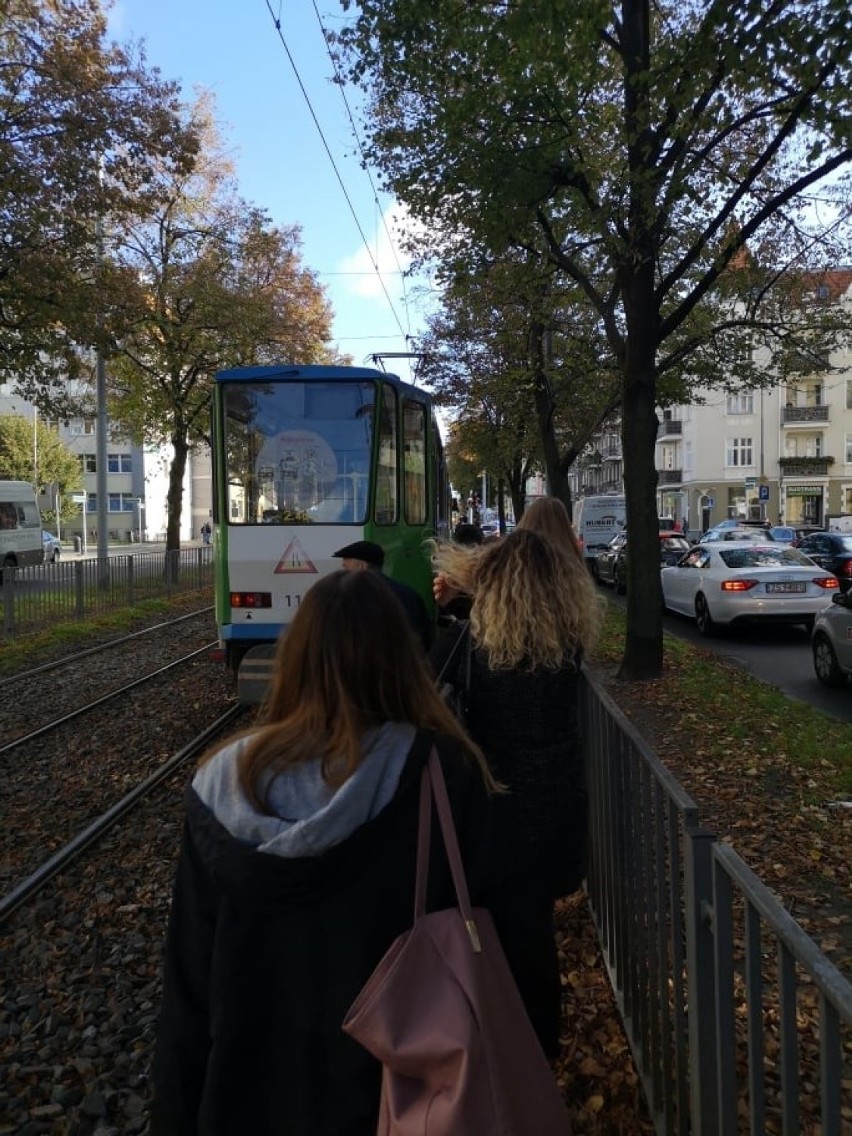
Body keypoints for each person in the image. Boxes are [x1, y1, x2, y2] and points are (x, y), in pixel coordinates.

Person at [150, 569, 497, 1136]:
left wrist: (175, 1115)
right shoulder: (445, 775)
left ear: (297, 657)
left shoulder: (220, 789)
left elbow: (188, 983)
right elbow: (497, 935)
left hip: (244, 1099)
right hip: (403, 1097)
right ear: (404, 658)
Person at [430, 527, 604, 1059]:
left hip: (493, 812)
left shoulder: (473, 650)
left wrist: (459, 598)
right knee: (533, 939)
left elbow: (441, 667)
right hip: (556, 812)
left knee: (494, 939)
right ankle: (539, 1052)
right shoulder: (566, 646)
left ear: (493, 585)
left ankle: (496, 1052)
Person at [333, 539, 432, 651]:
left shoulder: (351, 598)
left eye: (347, 567)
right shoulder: (409, 595)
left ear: (362, 566)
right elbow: (424, 637)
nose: (344, 571)